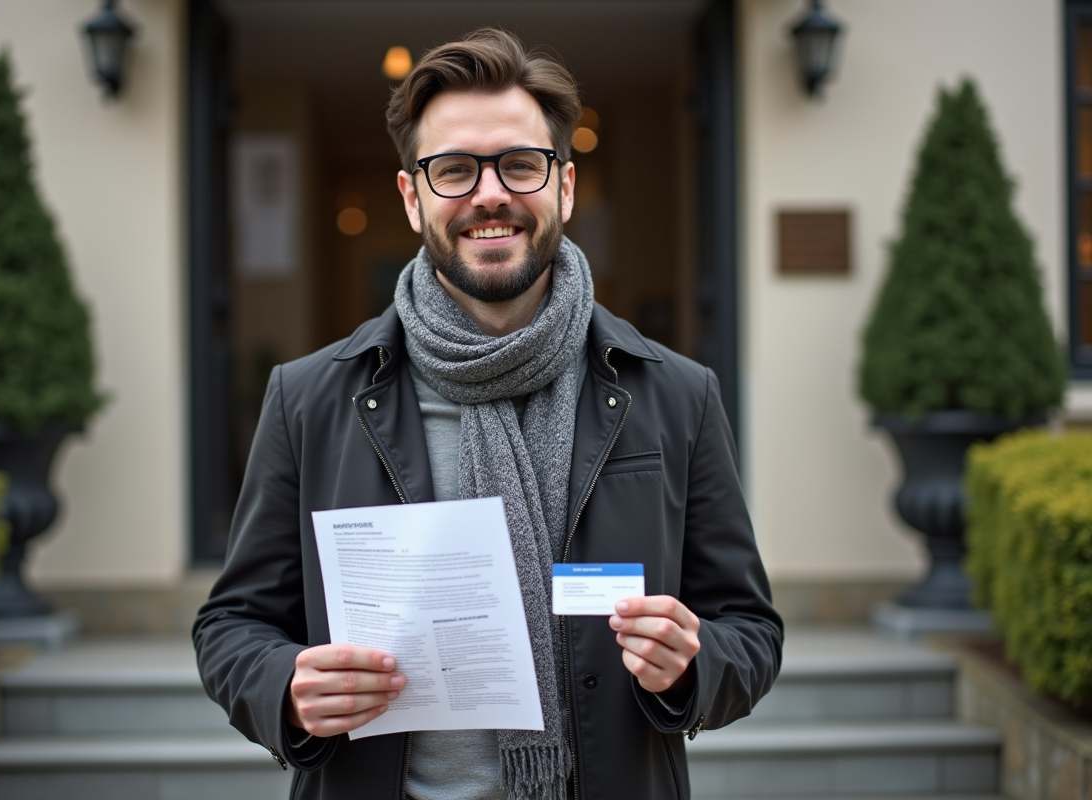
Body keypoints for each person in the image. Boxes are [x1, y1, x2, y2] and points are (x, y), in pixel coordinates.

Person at [193, 28, 783, 800]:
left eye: (519, 164)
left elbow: (751, 631)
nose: (490, 194)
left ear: (564, 186)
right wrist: (286, 689)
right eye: (454, 170)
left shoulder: (672, 393)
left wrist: (695, 664)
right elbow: (231, 627)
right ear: (413, 198)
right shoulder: (310, 400)